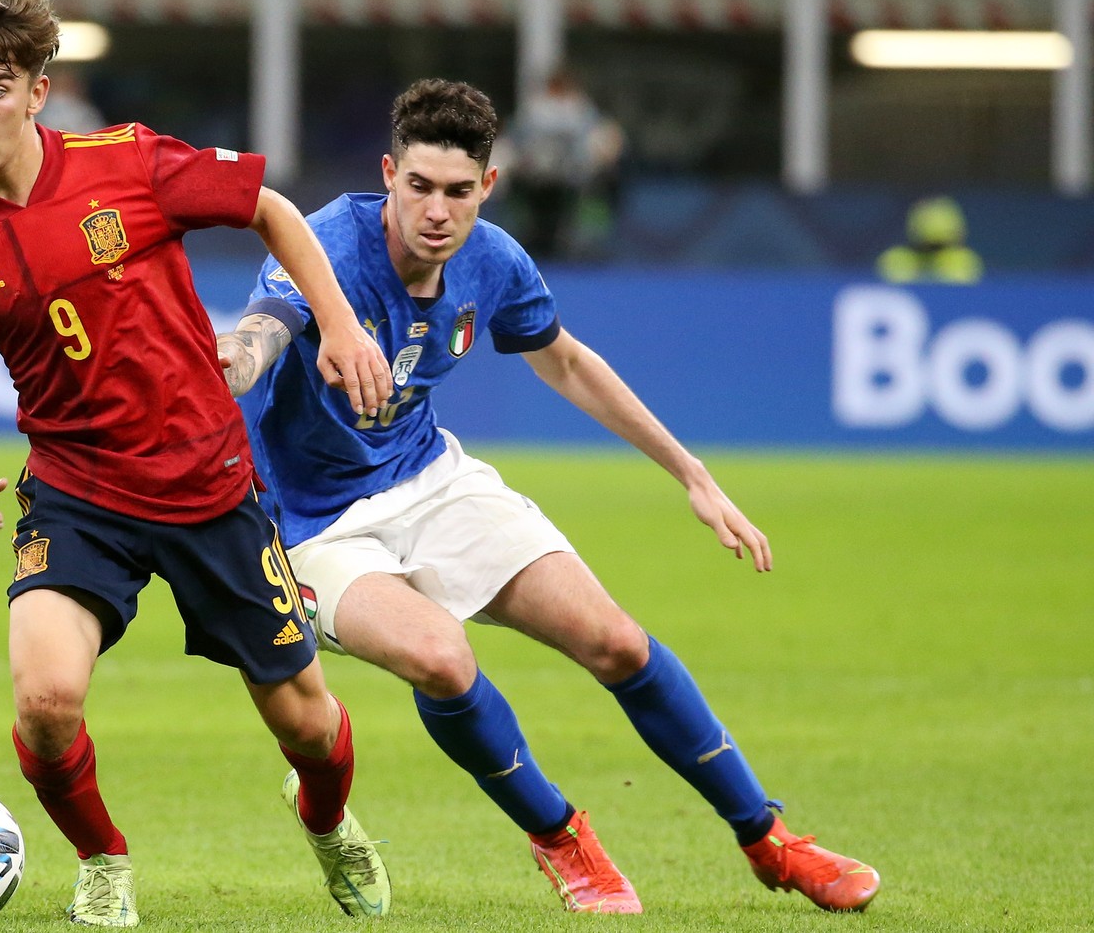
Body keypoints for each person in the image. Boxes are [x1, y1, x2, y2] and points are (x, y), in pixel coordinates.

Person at [219, 78, 880, 915]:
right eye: (418, 186)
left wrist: (693, 475)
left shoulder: (494, 257)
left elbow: (564, 359)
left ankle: (770, 841)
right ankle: (563, 839)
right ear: (388, 174)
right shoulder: (326, 245)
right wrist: (233, 360)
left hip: (430, 481)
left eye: (458, 191)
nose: (436, 210)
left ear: (488, 187)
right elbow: (261, 332)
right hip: (313, 526)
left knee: (616, 643)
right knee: (441, 659)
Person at [0, 0, 394, 927]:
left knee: (310, 728)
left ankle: (327, 826)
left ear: (39, 93)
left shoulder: (129, 162)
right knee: (44, 699)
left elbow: (274, 211)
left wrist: (343, 327)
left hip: (208, 489)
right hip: (78, 499)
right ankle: (102, 859)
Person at [504, 66, 624, 261]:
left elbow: (600, 137)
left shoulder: (580, 107)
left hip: (570, 173)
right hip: (540, 174)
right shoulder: (537, 109)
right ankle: (535, 233)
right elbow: (518, 140)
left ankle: (569, 236)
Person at [876, 195, 983, 284]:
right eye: (926, 247)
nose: (932, 251)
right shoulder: (895, 259)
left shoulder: (964, 261)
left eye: (940, 247)